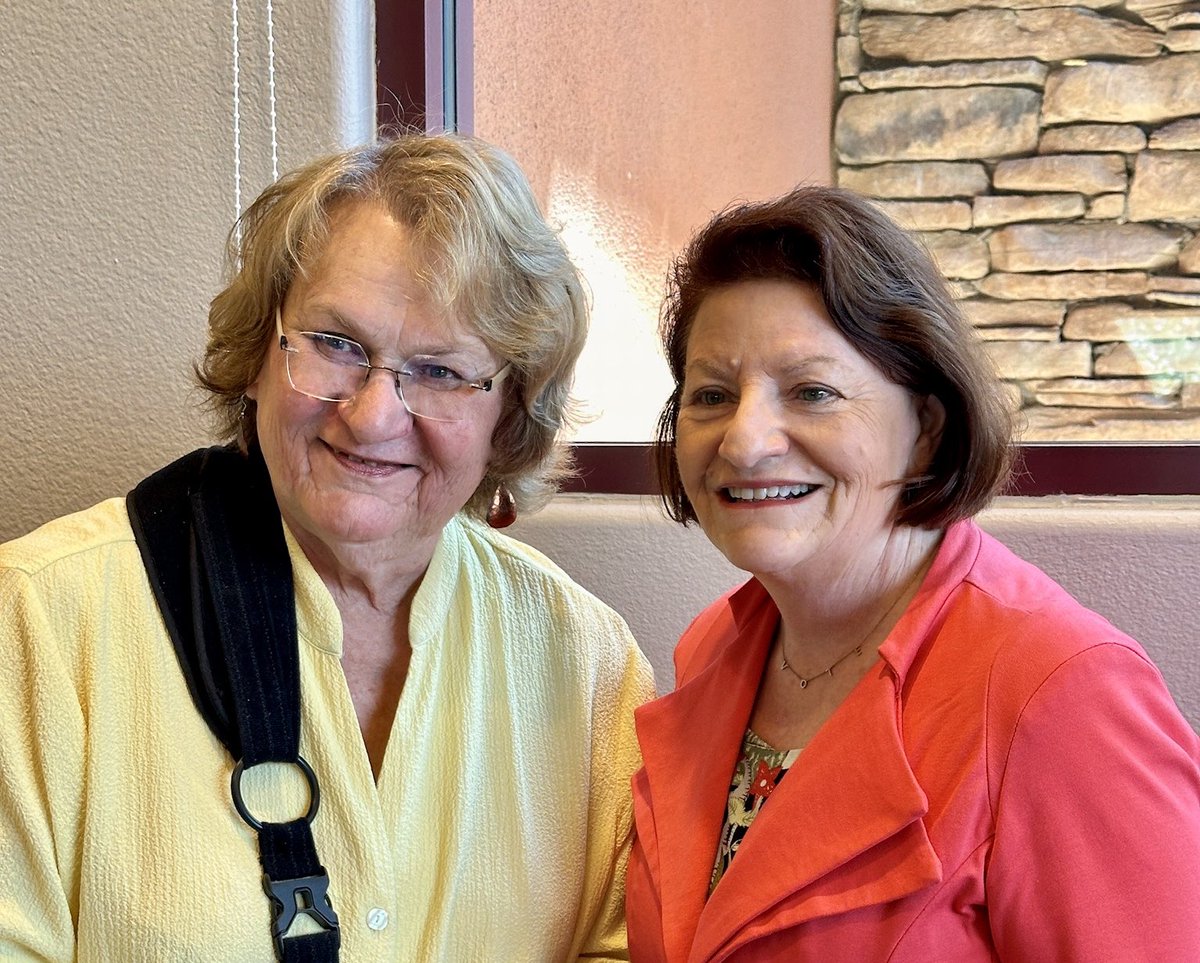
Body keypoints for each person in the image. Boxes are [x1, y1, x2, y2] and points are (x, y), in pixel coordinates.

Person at [0, 132, 654, 961]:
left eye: (441, 370)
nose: (375, 413)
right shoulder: (43, 619)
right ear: (257, 355)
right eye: (338, 345)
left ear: (510, 414)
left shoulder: (590, 661)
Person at [624, 185, 1200, 960]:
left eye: (813, 391)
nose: (744, 439)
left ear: (926, 429)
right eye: (712, 394)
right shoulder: (712, 651)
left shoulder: (1057, 694)